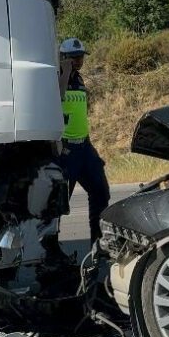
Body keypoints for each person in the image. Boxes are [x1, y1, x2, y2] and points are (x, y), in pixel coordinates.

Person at [58, 38, 110, 243]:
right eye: (73, 58)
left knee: (101, 193)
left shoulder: (79, 79)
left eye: (80, 57)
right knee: (58, 205)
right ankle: (49, 252)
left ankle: (98, 245)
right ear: (63, 58)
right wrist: (64, 72)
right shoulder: (56, 78)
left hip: (84, 146)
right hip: (65, 149)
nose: (78, 61)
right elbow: (58, 97)